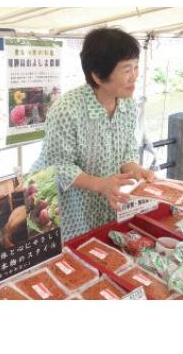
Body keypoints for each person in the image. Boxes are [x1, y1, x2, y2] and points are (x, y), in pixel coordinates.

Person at [30, 27, 154, 241]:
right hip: (64, 200)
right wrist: (100, 184)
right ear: (97, 76)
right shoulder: (66, 110)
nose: (135, 76)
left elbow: (126, 151)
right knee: (71, 255)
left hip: (104, 197)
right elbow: (58, 166)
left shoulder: (128, 105)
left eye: (136, 67)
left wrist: (137, 170)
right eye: (126, 69)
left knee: (100, 248)